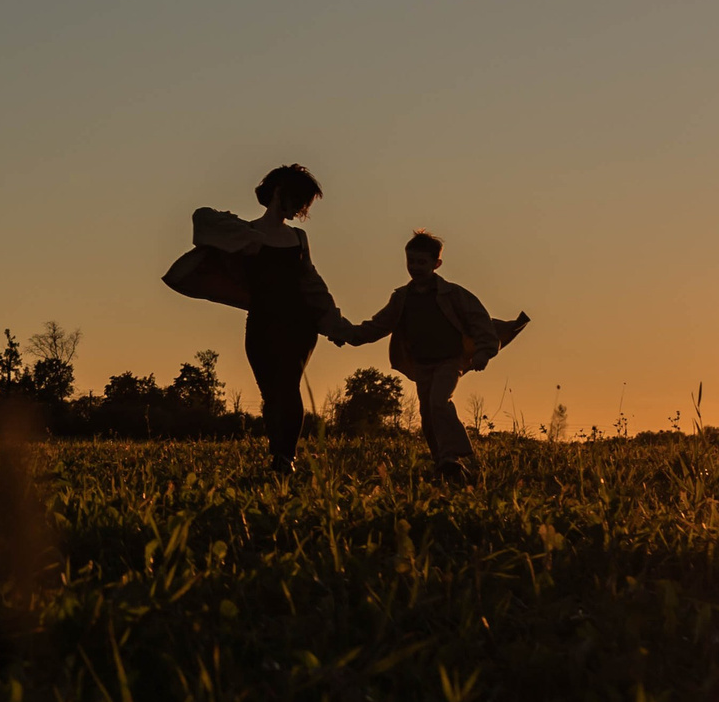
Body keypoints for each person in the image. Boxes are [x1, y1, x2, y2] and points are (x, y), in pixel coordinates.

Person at [190, 164, 353, 474]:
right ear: (280, 193)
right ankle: (277, 452)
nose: (302, 209)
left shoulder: (299, 238)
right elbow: (201, 219)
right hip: (261, 323)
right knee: (269, 393)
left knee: (288, 385)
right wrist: (243, 233)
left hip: (299, 325)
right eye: (300, 200)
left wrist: (334, 323)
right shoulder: (244, 234)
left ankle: (285, 458)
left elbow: (313, 284)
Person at [336, 230, 529, 480]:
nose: (415, 267)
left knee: (439, 402)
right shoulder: (402, 298)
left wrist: (484, 352)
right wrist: (350, 334)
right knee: (427, 413)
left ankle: (453, 455)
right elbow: (379, 325)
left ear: (436, 264)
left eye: (421, 262)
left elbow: (479, 322)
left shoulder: (454, 294)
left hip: (450, 360)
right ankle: (444, 464)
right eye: (411, 262)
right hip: (422, 364)